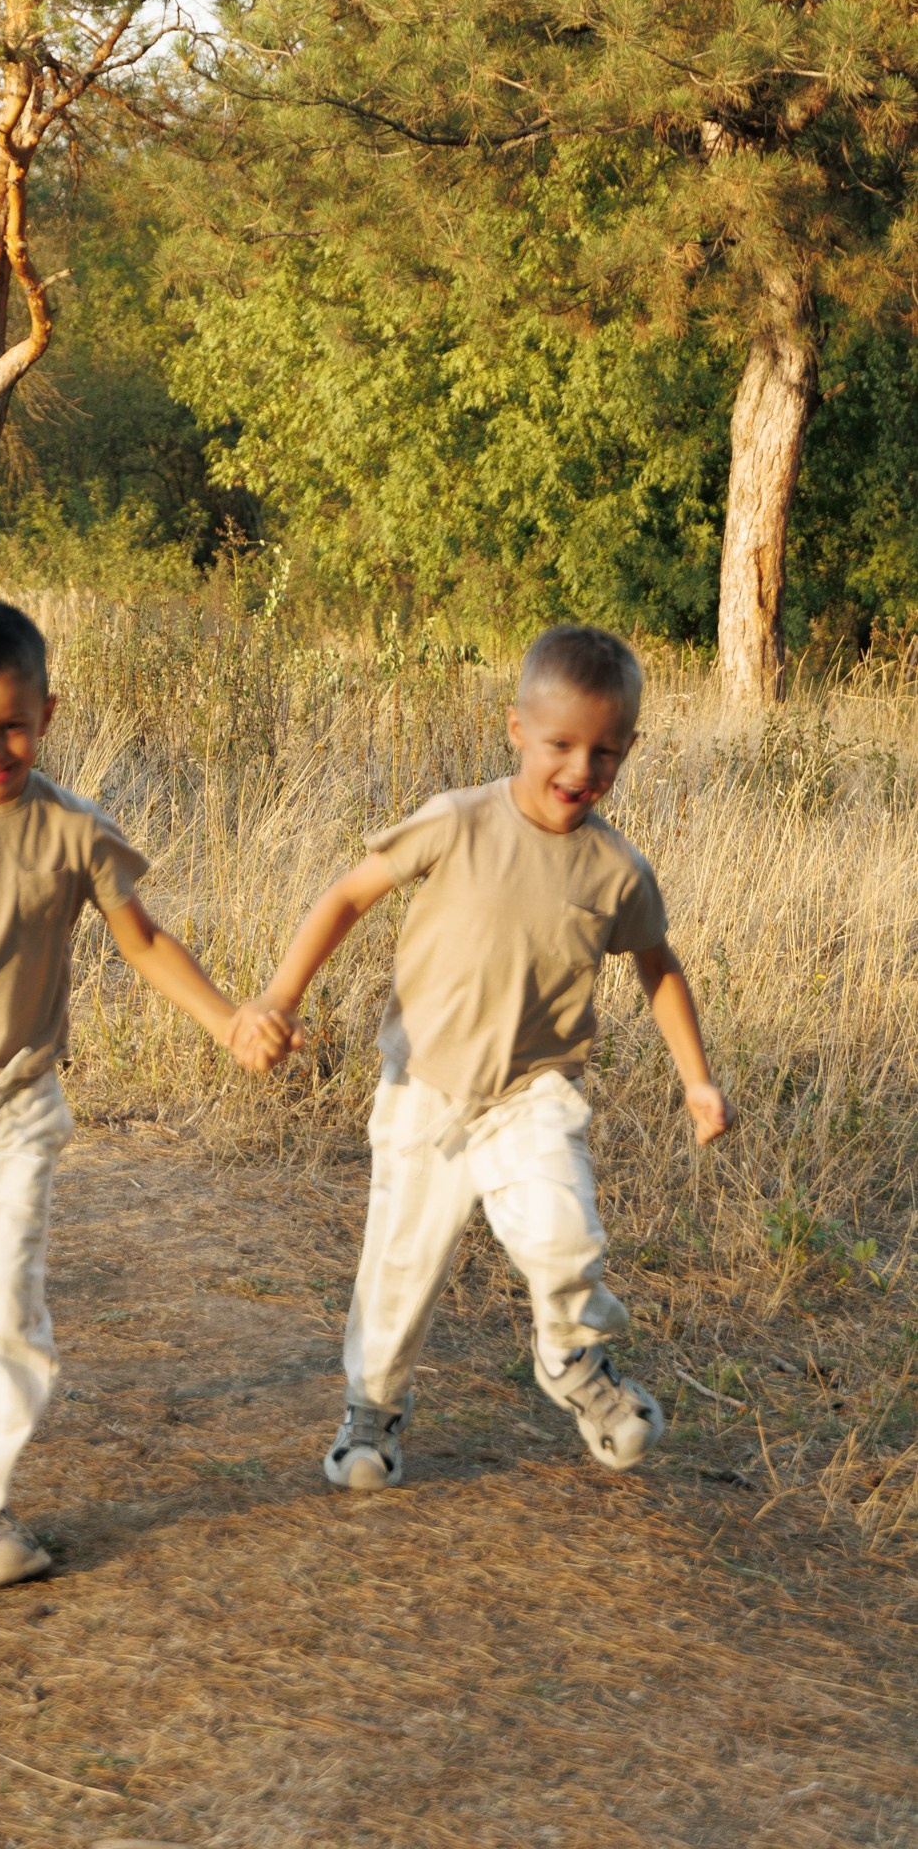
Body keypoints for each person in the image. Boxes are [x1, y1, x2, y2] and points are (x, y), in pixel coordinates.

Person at [0, 597, 273, 1594]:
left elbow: (142, 940)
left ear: (47, 714)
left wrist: (226, 1020)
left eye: (12, 726)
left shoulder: (73, 830)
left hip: (21, 1101)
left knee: (6, 1299)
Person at [234, 621, 729, 1492]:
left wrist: (696, 1080)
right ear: (515, 729)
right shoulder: (457, 820)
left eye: (605, 752)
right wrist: (280, 994)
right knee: (399, 1268)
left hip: (532, 1094)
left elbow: (658, 970)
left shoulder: (617, 869)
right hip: (422, 1089)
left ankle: (571, 1359)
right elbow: (347, 896)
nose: (580, 768)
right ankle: (371, 1413)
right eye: (559, 744)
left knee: (565, 1236)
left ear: (629, 749)